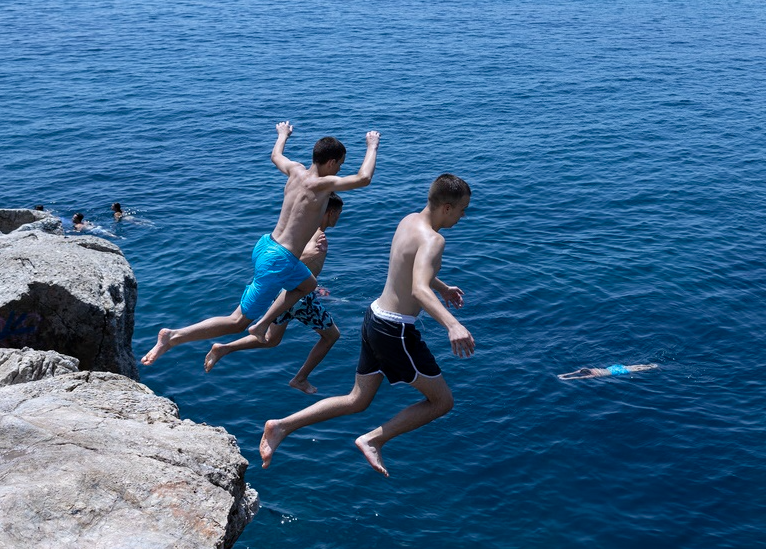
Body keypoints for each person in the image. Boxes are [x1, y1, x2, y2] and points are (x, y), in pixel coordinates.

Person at [259, 173, 475, 477]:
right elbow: (418, 289)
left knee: (358, 399)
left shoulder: (410, 221)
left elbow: (407, 264)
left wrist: (441, 286)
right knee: (442, 401)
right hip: (396, 330)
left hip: (374, 318)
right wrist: (453, 325)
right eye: (463, 209)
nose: (463, 216)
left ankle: (282, 425)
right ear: (448, 208)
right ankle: (373, 439)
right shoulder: (434, 240)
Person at [141, 121, 380, 366]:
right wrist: (372, 145)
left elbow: (276, 155)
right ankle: (173, 337)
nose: (340, 170)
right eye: (340, 164)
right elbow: (364, 178)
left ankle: (264, 323)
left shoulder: (295, 170)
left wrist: (282, 134)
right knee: (237, 322)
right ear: (331, 162)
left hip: (266, 244)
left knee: (309, 284)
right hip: (279, 259)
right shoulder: (321, 185)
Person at [203, 193, 345, 394]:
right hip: (299, 296)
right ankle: (300, 378)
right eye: (339, 213)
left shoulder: (304, 229)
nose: (339, 217)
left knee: (271, 339)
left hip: (284, 292)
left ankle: (223, 348)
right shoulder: (318, 236)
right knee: (331, 336)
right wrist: (310, 258)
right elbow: (292, 261)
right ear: (330, 212)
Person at [557, 363, 658, 380]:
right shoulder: (591, 369)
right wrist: (564, 374)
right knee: (632, 367)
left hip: (614, 372)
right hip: (613, 367)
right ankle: (648, 365)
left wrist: (565, 378)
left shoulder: (593, 375)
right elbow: (577, 372)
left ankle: (651, 367)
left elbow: (577, 377)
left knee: (634, 370)